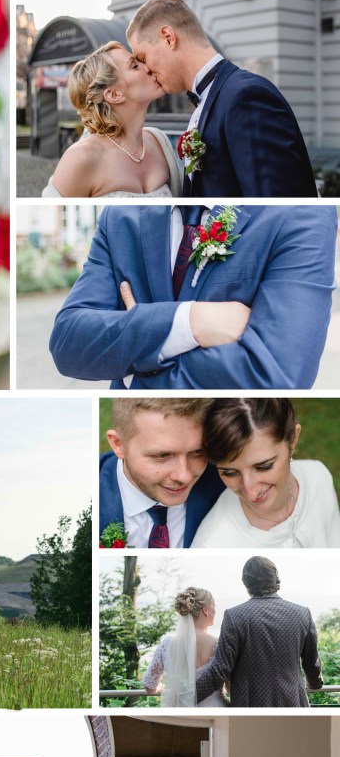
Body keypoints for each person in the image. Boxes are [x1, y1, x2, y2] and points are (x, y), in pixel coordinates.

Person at [49, 204, 337, 390]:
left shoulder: (302, 213)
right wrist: (190, 321)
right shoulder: (120, 217)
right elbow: (68, 342)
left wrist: (134, 369)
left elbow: (280, 374)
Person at [126, 0, 317, 198]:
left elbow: (273, 203)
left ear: (168, 37)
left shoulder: (247, 97)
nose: (146, 70)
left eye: (143, 58)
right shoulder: (216, 98)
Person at [191, 399, 340, 548]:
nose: (250, 492)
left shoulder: (319, 477)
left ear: (293, 438)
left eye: (263, 466)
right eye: (230, 473)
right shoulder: (212, 545)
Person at [42, 42, 181, 198]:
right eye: (135, 66)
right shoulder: (81, 158)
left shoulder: (159, 142)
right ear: (114, 95)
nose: (147, 67)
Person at [194, 557, 324, 708]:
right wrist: (315, 683)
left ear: (246, 582)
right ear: (275, 578)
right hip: (294, 703)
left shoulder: (234, 616)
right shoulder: (302, 613)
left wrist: (187, 698)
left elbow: (220, 670)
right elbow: (311, 662)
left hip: (250, 707)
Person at [100, 398, 224, 547]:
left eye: (197, 452)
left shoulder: (225, 483)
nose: (184, 476)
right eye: (163, 455)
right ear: (119, 444)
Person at [143, 587, 226, 708]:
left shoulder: (167, 644)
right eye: (214, 607)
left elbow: (149, 685)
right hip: (214, 713)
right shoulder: (220, 644)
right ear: (205, 610)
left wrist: (161, 687)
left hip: (179, 713)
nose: (215, 611)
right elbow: (231, 685)